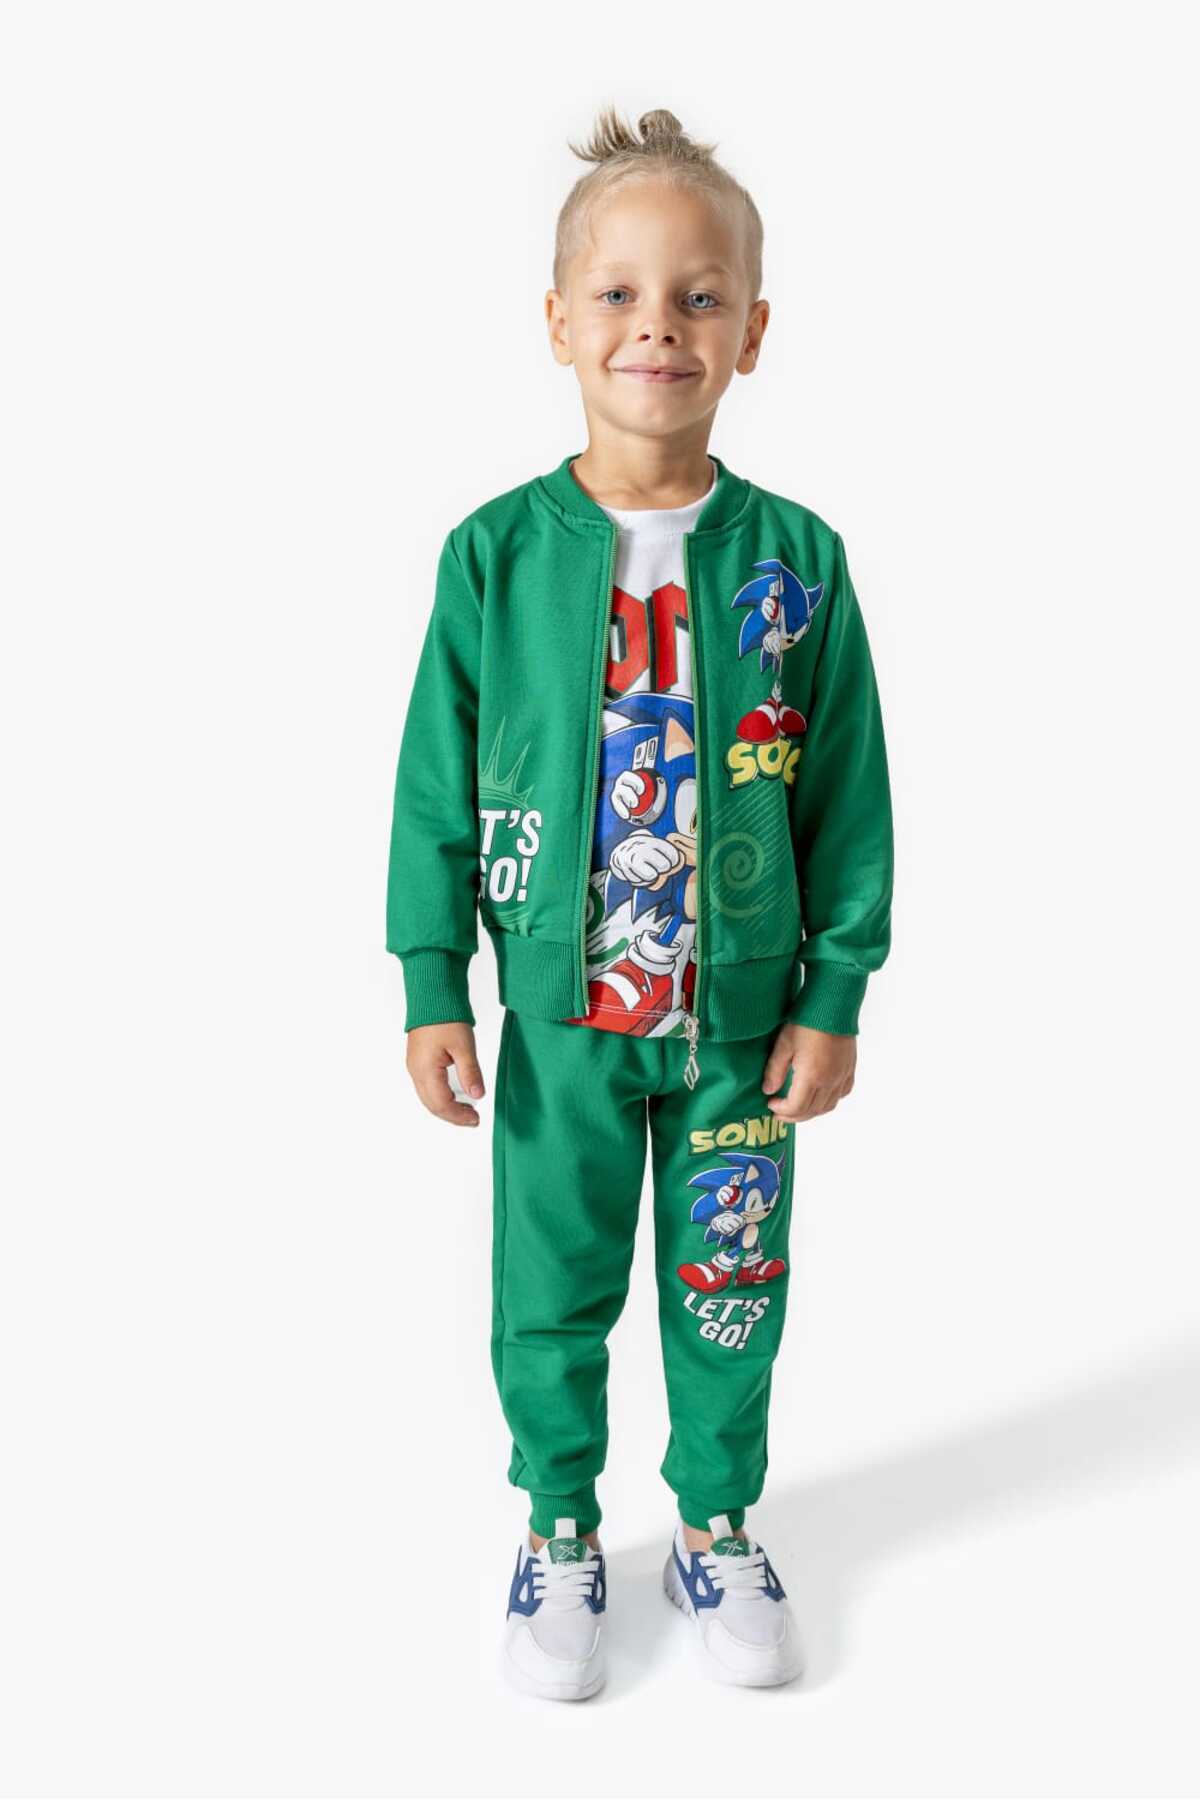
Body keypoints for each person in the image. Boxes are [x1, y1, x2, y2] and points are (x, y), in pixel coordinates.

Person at [385, 104, 893, 1699]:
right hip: (560, 1020)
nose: (656, 327)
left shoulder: (797, 561)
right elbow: (431, 785)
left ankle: (716, 1521)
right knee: (551, 1287)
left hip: (740, 1025)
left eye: (696, 296)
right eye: (617, 294)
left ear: (753, 331)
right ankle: (559, 1524)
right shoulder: (493, 557)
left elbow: (848, 796)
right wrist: (431, 979)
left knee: (731, 1282)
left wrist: (833, 991)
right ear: (557, 321)